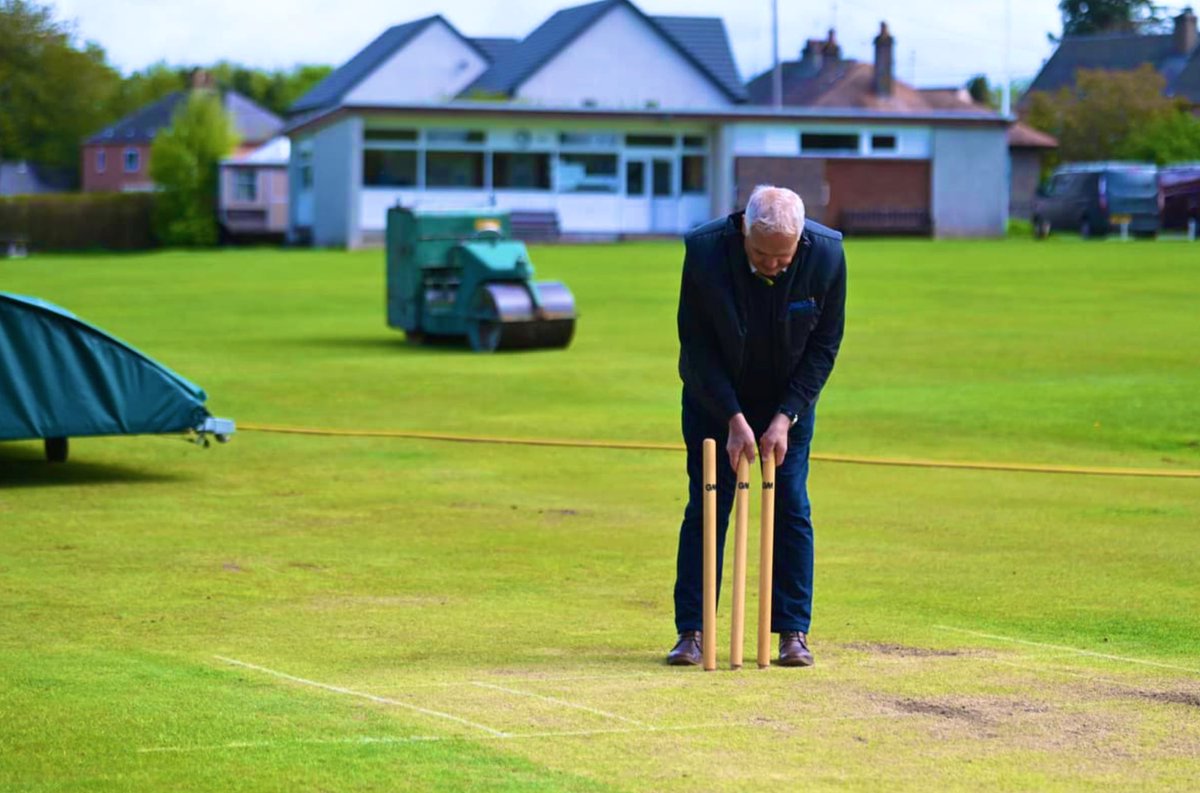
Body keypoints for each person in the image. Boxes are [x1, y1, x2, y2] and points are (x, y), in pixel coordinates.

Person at [667, 185, 847, 667]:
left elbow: (825, 347)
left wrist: (785, 417)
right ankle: (693, 631)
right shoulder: (705, 253)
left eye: (784, 257)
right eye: (763, 256)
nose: (774, 266)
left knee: (790, 504)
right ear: (744, 230)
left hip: (787, 405)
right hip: (715, 400)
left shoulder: (826, 256)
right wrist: (731, 417)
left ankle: (792, 632)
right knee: (707, 506)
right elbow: (696, 347)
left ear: (801, 238)